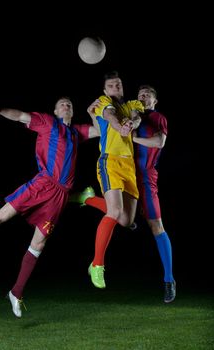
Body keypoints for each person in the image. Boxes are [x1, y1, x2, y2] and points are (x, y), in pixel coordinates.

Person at [0, 97, 99, 317]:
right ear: (55, 110)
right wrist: (0, 109)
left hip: (60, 196)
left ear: (72, 112)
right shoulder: (47, 123)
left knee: (39, 242)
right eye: (63, 104)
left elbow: (101, 131)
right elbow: (19, 116)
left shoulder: (77, 132)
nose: (67, 106)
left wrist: (93, 112)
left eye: (70, 105)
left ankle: (16, 293)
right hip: (42, 184)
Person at [70, 70, 144, 289]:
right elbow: (110, 115)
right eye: (111, 85)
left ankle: (88, 198)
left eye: (118, 84)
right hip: (109, 161)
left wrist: (132, 122)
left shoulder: (133, 105)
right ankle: (97, 265)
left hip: (128, 165)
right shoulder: (103, 102)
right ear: (105, 90)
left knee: (126, 220)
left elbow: (137, 116)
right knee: (113, 212)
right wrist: (120, 125)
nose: (116, 88)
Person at [132, 84, 176, 303]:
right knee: (118, 214)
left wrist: (134, 139)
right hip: (125, 174)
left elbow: (159, 142)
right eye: (140, 94)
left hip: (146, 176)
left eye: (148, 94)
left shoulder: (157, 117)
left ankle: (169, 280)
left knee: (156, 226)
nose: (143, 96)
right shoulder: (130, 116)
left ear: (154, 101)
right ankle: (89, 199)